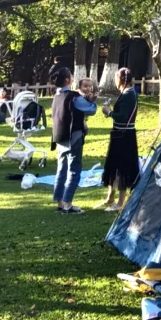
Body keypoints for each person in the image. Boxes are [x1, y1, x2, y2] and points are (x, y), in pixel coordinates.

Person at [50, 68, 98, 215]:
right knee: (74, 170)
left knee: (61, 170)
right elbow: (91, 110)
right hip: (73, 136)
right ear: (67, 80)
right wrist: (92, 101)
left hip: (59, 138)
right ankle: (68, 204)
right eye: (70, 76)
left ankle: (60, 201)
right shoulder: (73, 97)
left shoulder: (56, 96)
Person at [99, 67, 140, 212]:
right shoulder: (125, 93)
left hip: (125, 136)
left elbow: (123, 117)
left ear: (121, 79)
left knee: (122, 167)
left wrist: (109, 112)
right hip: (118, 133)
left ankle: (120, 202)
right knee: (113, 165)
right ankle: (110, 197)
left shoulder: (129, 94)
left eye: (116, 78)